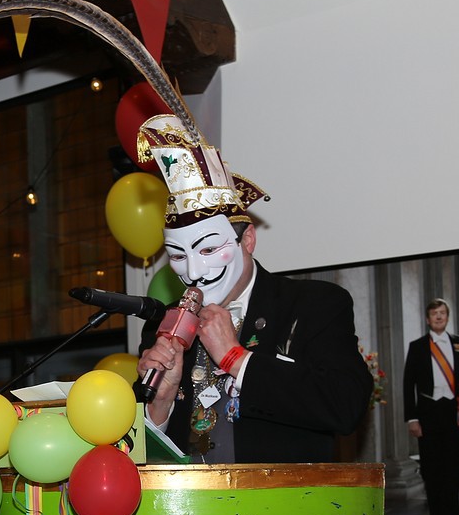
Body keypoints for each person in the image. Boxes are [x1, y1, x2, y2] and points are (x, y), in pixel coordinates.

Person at [134, 115, 372, 463]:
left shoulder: (311, 305)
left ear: (247, 240)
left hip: (281, 494)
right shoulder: (165, 324)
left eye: (209, 249)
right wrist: (160, 402)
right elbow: (137, 450)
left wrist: (236, 358)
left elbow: (345, 405)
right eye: (178, 256)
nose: (194, 271)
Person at [402, 298, 459, 515]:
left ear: (447, 317)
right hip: (428, 416)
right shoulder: (417, 347)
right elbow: (408, 384)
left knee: (453, 475)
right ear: (428, 319)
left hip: (455, 415)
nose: (438, 317)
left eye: (442, 313)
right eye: (434, 313)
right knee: (433, 476)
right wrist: (411, 418)